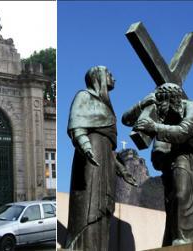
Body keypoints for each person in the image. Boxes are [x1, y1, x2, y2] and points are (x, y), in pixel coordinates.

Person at [127, 83, 193, 245]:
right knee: (179, 194)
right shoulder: (161, 111)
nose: (159, 107)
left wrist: (153, 126)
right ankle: (179, 236)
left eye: (161, 101)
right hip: (181, 154)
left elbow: (183, 132)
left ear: (172, 99)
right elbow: (126, 120)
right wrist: (141, 105)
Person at [65, 66, 136, 250]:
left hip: (105, 158)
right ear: (98, 77)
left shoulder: (105, 105)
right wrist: (86, 146)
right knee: (90, 206)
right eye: (109, 74)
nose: (113, 77)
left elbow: (110, 149)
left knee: (104, 209)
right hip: (91, 157)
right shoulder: (84, 96)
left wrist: (121, 170)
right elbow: (76, 124)